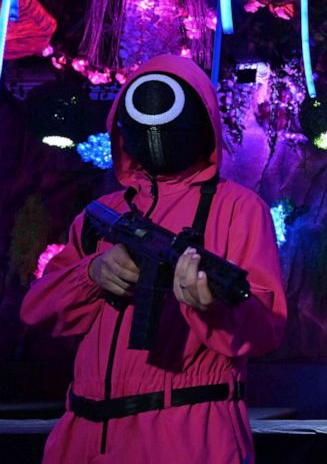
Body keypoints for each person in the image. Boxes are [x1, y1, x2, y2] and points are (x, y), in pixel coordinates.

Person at [21, 55, 287, 463]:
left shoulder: (239, 209)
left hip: (186, 430)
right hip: (83, 434)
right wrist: (93, 272)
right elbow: (37, 310)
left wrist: (209, 310)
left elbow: (265, 328)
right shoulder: (104, 211)